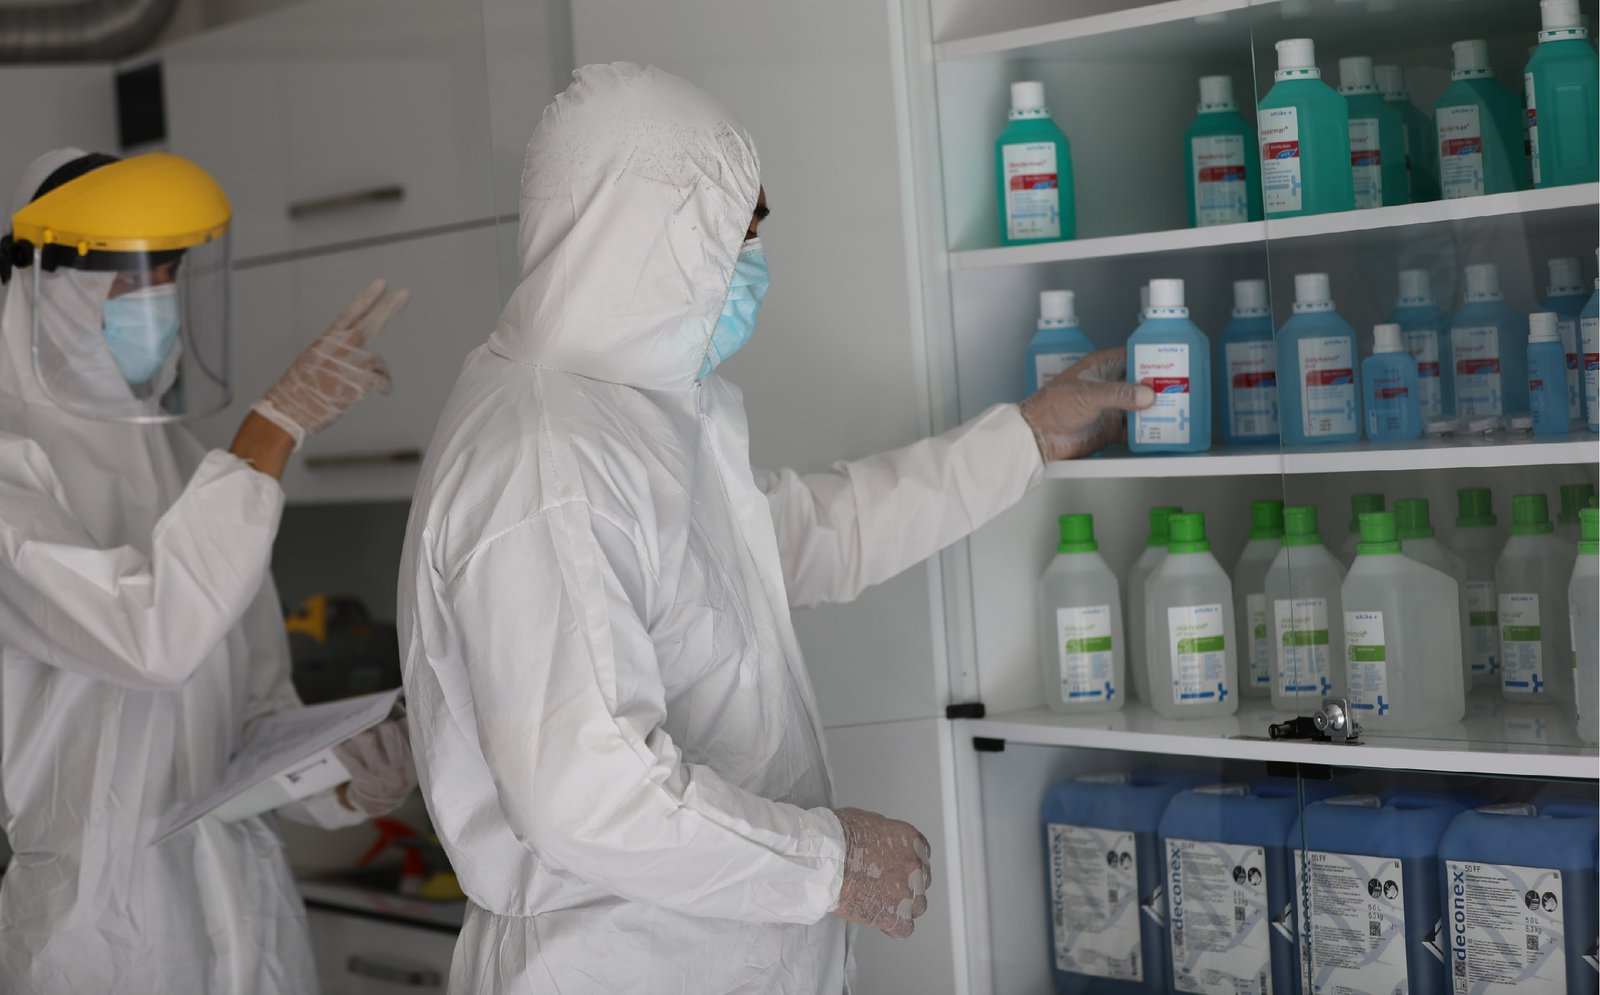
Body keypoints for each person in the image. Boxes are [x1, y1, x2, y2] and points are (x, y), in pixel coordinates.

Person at [398, 63, 1152, 993]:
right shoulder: (547, 461)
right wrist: (828, 863)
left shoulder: (623, 415)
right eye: (741, 228)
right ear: (654, 232)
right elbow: (585, 796)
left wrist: (1026, 437)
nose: (754, 259)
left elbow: (802, 535)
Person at [0, 148, 418, 994]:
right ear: (47, 287)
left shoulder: (194, 466)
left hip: (247, 918)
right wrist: (273, 430)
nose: (155, 303)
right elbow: (150, 639)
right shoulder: (13, 468)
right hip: (95, 935)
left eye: (168, 277)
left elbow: (256, 716)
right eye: (129, 281)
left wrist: (344, 782)